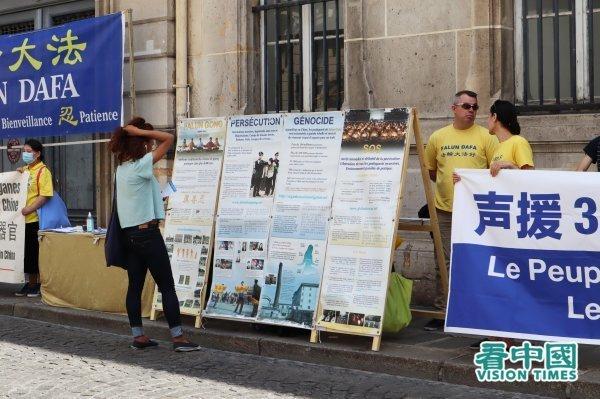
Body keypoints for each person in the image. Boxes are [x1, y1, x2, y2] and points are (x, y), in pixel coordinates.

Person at [109, 117, 199, 352]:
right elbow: (169, 138)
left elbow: (135, 200)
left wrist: (157, 200)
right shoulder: (141, 165)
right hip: (147, 235)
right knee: (167, 285)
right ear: (139, 143)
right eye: (147, 141)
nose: (150, 145)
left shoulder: (121, 170)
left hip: (130, 236)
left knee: (135, 286)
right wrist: (139, 131)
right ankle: (179, 339)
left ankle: (138, 336)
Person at [423, 90, 498, 331]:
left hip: (478, 212)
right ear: (453, 108)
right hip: (444, 209)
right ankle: (441, 311)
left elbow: (494, 172)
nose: (471, 111)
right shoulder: (438, 137)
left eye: (475, 107)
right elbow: (432, 171)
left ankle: (475, 311)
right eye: (466, 106)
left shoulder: (487, 136)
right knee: (443, 261)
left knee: (477, 260)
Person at [15, 139, 53, 297]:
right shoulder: (24, 170)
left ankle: (35, 284)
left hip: (34, 219)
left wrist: (29, 208)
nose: (26, 154)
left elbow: (45, 195)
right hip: (20, 220)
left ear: (37, 154)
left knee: (33, 253)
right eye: (24, 150)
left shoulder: (43, 171)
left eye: (29, 151)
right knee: (23, 253)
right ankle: (28, 282)